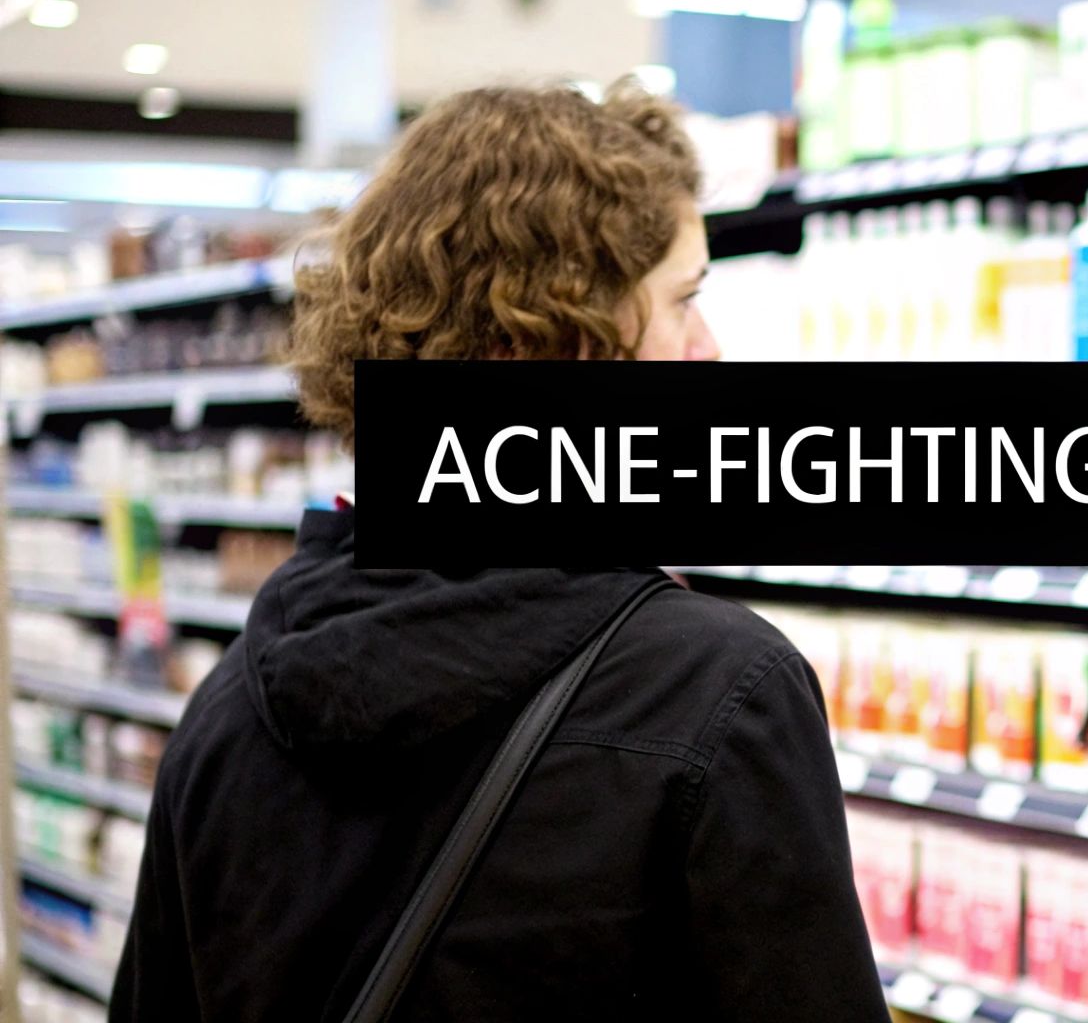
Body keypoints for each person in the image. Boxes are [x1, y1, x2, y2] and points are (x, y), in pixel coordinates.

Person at [110, 80, 890, 1022]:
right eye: (683, 302)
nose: (710, 348)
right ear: (561, 343)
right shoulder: (720, 693)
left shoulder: (228, 706)